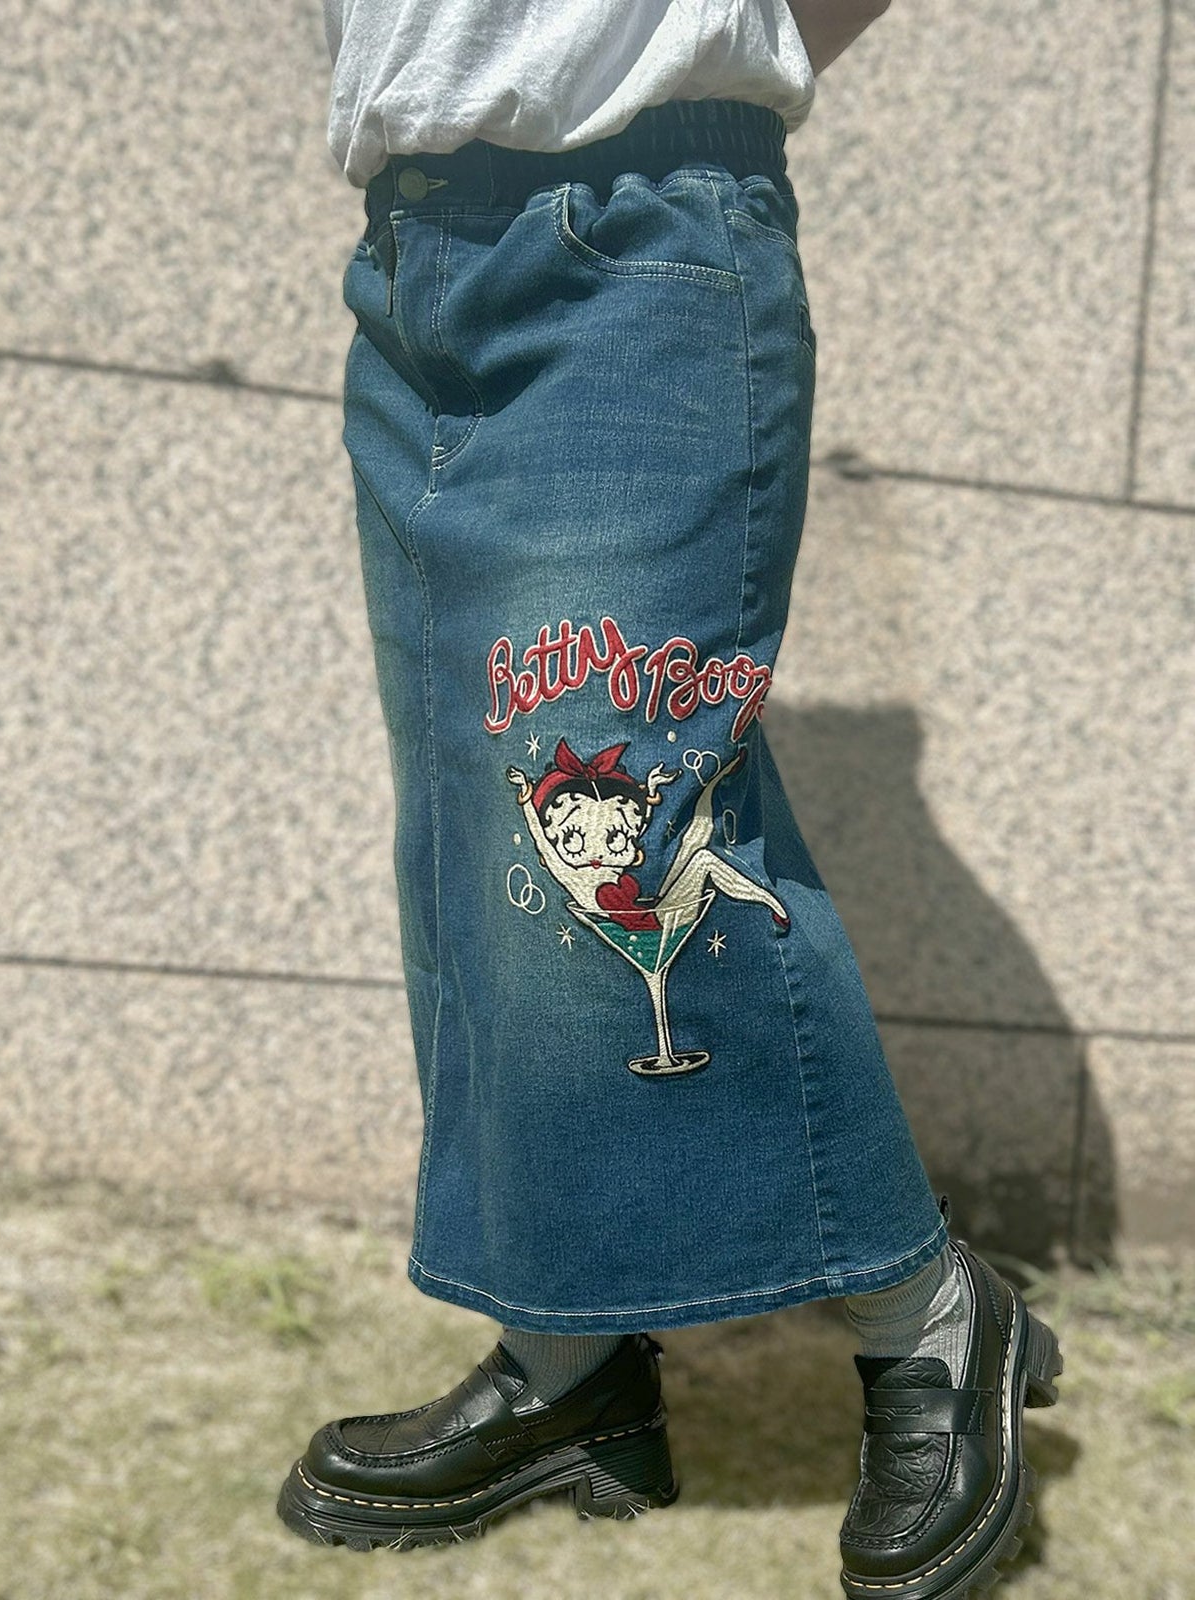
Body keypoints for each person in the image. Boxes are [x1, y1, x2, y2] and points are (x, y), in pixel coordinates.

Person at [277, 3, 1063, 1595]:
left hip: (633, 238)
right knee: (480, 846)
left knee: (621, 837)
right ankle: (574, 1369)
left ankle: (931, 1315)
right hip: (415, 259)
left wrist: (695, 48)